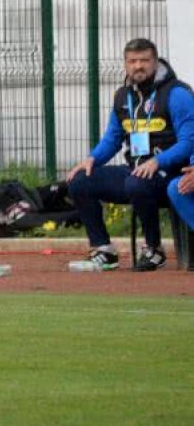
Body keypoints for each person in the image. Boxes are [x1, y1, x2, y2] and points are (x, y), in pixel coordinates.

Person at [66, 38, 194, 272]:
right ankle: (103, 250)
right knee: (80, 181)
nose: (138, 66)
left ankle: (154, 249)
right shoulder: (122, 96)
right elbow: (113, 139)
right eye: (132, 61)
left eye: (144, 60)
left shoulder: (177, 94)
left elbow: (189, 142)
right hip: (135, 170)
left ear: (155, 62)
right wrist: (92, 159)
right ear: (125, 64)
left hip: (171, 173)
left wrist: (158, 161)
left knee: (137, 183)